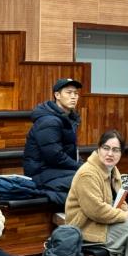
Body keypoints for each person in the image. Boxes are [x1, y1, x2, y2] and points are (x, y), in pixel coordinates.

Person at [23, 78, 83, 206]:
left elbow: (73, 152)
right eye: (69, 92)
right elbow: (55, 156)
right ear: (57, 95)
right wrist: (82, 168)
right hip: (41, 173)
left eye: (76, 93)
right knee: (87, 179)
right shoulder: (49, 121)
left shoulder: (68, 118)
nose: (73, 96)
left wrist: (87, 166)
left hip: (57, 170)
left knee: (93, 176)